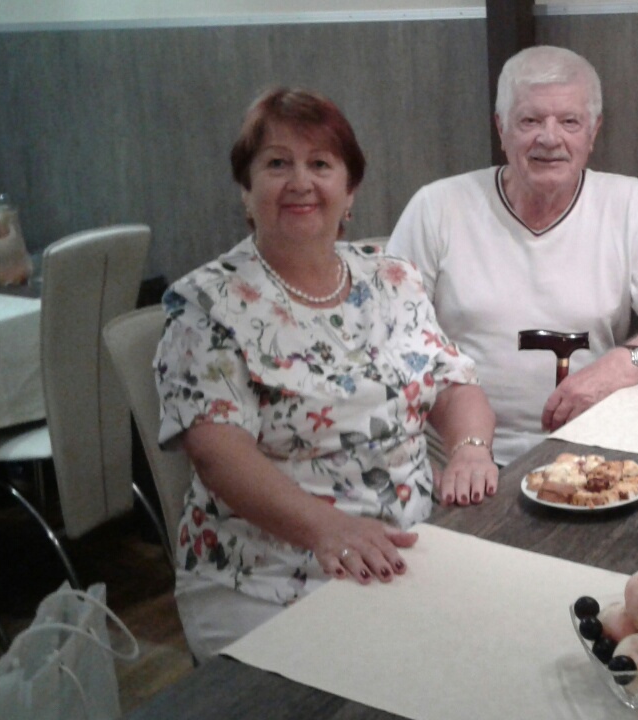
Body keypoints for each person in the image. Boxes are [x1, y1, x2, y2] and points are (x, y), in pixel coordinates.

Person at [154, 87, 498, 660]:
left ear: (349, 190)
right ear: (246, 190)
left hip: (414, 547)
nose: (300, 182)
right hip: (267, 579)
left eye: (320, 164)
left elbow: (452, 383)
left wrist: (469, 450)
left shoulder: (392, 278)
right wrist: (326, 529)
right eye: (277, 164)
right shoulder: (205, 304)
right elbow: (217, 455)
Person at [389, 45, 638, 465]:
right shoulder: (436, 207)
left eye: (569, 121)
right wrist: (463, 449)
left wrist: (623, 363)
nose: (549, 137)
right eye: (530, 120)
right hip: (453, 456)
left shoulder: (632, 204)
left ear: (593, 132)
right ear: (501, 128)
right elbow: (389, 340)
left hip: (593, 451)